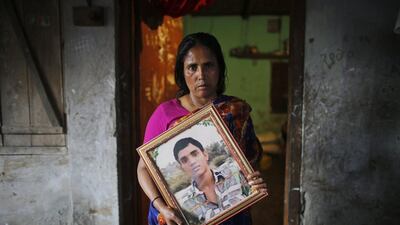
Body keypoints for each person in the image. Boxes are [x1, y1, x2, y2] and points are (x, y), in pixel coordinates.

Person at [137, 32, 268, 225]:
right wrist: (161, 206)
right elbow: (143, 169)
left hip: (231, 215)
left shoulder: (235, 111)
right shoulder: (164, 114)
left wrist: (253, 180)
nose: (201, 75)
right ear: (182, 72)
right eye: (192, 67)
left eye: (208, 65)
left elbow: (251, 160)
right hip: (178, 218)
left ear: (219, 68)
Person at [173, 137, 251, 225]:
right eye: (184, 160)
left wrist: (256, 189)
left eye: (194, 154)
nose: (192, 162)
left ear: (205, 155)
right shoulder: (186, 205)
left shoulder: (234, 173)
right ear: (182, 168)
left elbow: (253, 197)